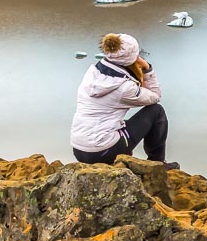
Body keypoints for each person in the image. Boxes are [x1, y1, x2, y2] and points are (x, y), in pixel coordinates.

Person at [71, 32, 174, 166]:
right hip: (102, 151)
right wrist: (147, 69)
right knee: (156, 111)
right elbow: (155, 96)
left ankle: (121, 147)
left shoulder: (93, 72)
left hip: (79, 149)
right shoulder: (125, 87)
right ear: (132, 58)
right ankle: (158, 164)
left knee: (108, 122)